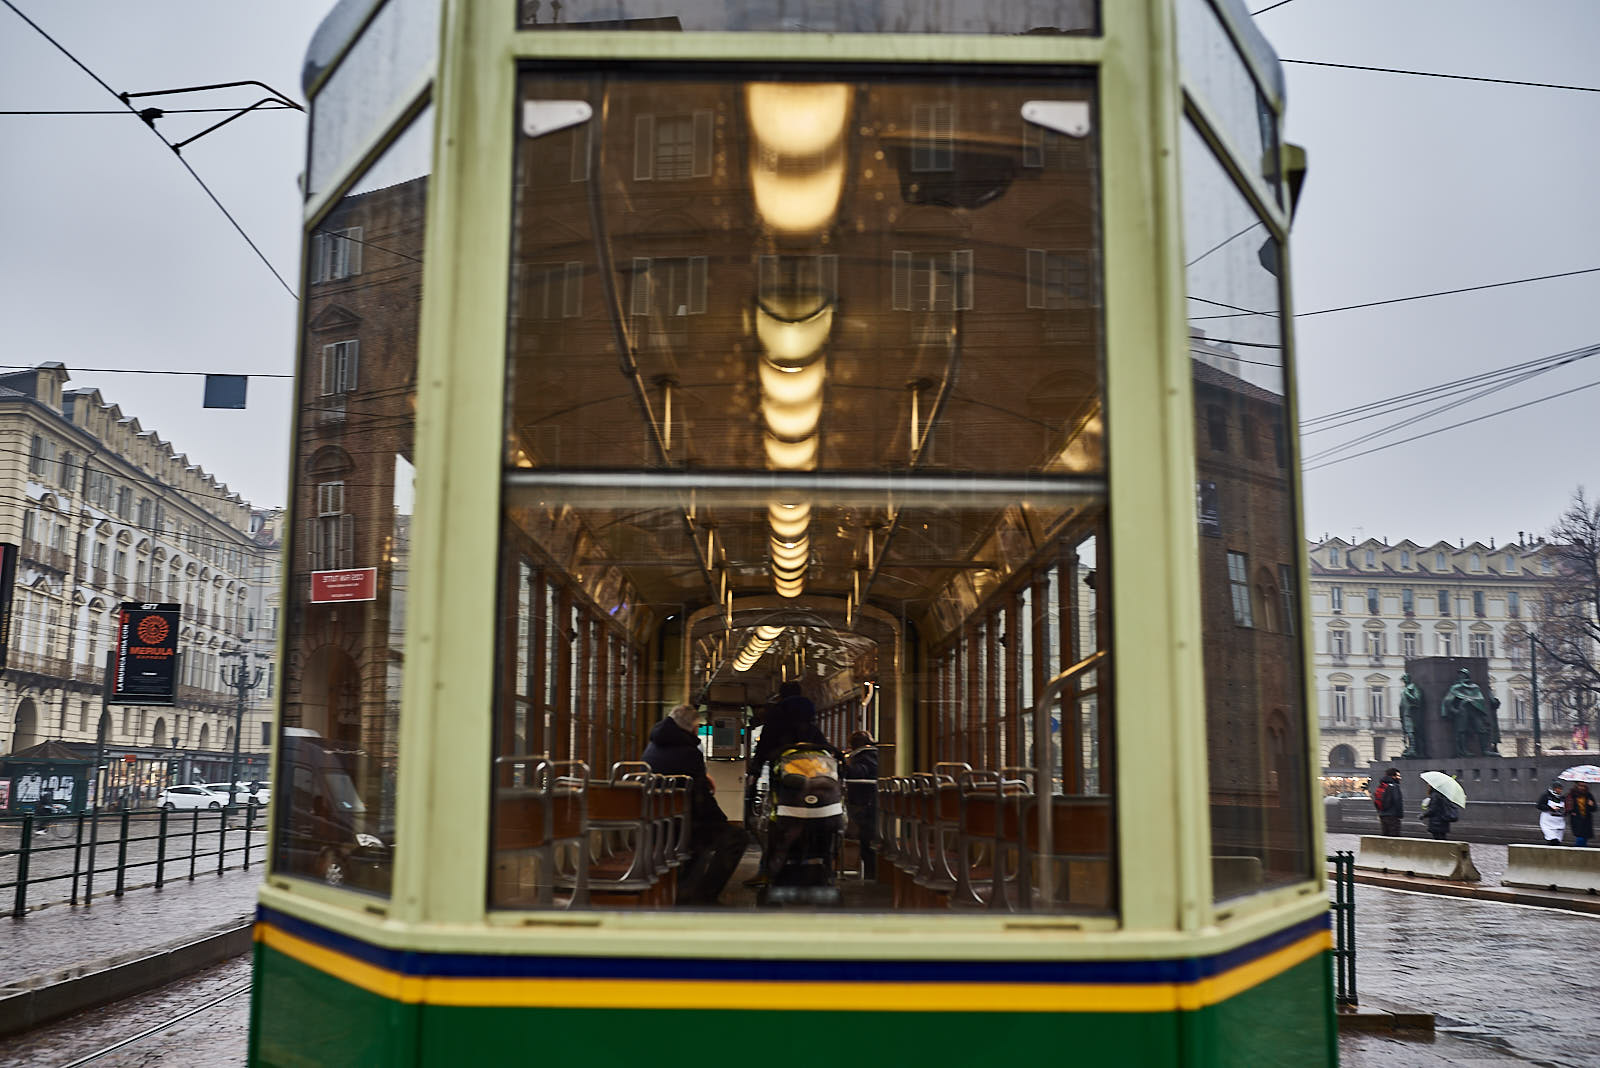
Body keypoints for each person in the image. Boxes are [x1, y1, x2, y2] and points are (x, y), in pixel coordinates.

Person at [642, 704, 748, 905]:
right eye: (698, 726)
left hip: (654, 824)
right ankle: (704, 897)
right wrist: (722, 821)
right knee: (735, 838)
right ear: (691, 727)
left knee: (699, 841)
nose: (698, 730)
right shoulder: (689, 751)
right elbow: (701, 800)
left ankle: (684, 890)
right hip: (680, 825)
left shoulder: (653, 746)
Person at [843, 731, 880, 878]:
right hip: (873, 801)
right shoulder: (877, 754)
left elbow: (858, 773)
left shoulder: (863, 757)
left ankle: (871, 874)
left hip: (864, 801)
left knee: (866, 839)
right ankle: (872, 873)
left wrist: (845, 766)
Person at [1564, 782, 1595, 848]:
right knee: (1580, 837)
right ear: (1576, 786)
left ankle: (1582, 851)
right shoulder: (1572, 795)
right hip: (1577, 819)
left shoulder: (1588, 795)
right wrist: (1571, 811)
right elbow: (1567, 805)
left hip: (1586, 820)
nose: (1582, 787)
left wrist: (1591, 805)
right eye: (1580, 786)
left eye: (1584, 786)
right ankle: (1578, 851)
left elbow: (1594, 809)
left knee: (1585, 837)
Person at [1375, 768, 1405, 837]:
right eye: (1398, 776)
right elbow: (1397, 801)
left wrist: (1380, 812)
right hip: (1393, 816)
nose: (1400, 778)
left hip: (1383, 815)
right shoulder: (1395, 786)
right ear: (1393, 776)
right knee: (1394, 837)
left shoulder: (1382, 785)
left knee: (1385, 836)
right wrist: (1400, 815)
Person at [1537, 780, 1567, 845]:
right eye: (1558, 788)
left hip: (1559, 822)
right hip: (1548, 822)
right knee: (1552, 840)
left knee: (1558, 841)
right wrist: (1550, 808)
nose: (1559, 790)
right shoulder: (1546, 796)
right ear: (1553, 788)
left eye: (1560, 789)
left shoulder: (1562, 798)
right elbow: (1539, 806)